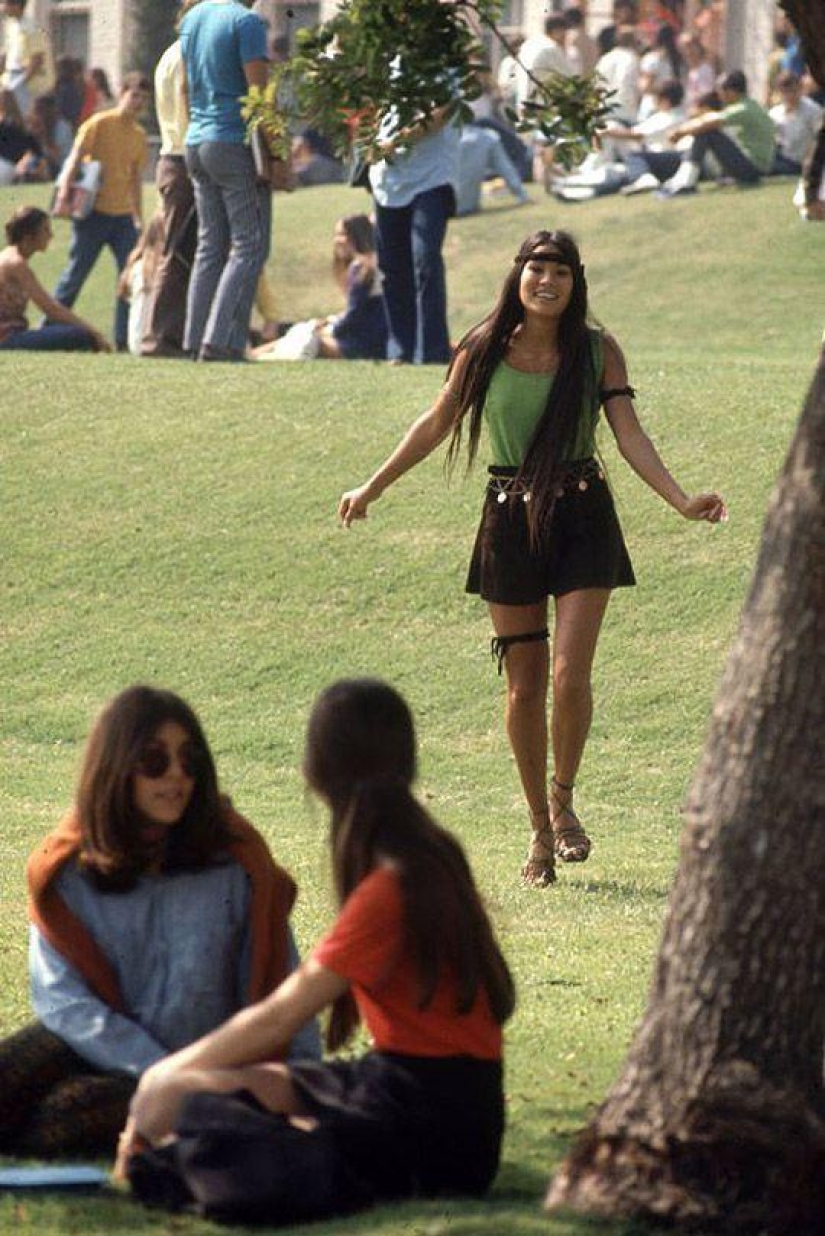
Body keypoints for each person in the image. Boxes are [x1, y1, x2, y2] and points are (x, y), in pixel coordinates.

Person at [338, 231, 727, 888]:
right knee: (523, 685)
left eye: (559, 273)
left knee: (569, 677)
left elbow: (628, 434)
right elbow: (435, 422)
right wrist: (373, 485)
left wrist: (680, 500)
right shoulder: (482, 348)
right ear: (517, 276)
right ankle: (537, 830)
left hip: (581, 514)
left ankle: (564, 800)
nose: (545, 282)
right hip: (508, 520)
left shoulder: (596, 352)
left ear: (576, 283)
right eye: (535, 270)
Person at [119, 679, 514, 1225]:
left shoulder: (392, 887)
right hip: (428, 1097)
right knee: (202, 1094)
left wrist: (157, 1082)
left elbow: (283, 1014)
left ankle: (280, 1147)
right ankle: (295, 1136)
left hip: (429, 1125)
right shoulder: (430, 854)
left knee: (181, 1102)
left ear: (318, 773)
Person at [0, 685, 320, 1157]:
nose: (176, 776)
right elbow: (63, 1000)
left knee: (61, 1121)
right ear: (115, 767)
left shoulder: (238, 865)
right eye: (154, 761)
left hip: (207, 1067)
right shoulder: (68, 869)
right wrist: (153, 1066)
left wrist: (301, 1086)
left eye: (189, 761)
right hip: (110, 1048)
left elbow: (280, 988)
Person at [179, 0, 272, 362]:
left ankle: (196, 337)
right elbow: (258, 99)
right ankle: (220, 342)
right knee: (250, 244)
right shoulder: (247, 22)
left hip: (196, 141)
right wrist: (273, 156)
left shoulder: (193, 18)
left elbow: (186, 88)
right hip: (232, 140)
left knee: (211, 245)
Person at [50, 72, 150, 351]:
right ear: (122, 93)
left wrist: (138, 217)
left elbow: (135, 180)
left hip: (122, 219)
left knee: (128, 277)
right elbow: (75, 157)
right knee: (76, 272)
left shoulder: (139, 136)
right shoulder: (99, 123)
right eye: (134, 95)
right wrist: (63, 194)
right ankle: (50, 329)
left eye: (143, 99)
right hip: (93, 213)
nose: (137, 102)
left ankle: (123, 339)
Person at [368, 73, 460, 365]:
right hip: (387, 180)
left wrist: (398, 139)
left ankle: (432, 352)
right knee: (392, 268)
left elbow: (445, 110)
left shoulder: (441, 58)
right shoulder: (380, 53)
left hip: (431, 177)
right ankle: (401, 351)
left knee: (426, 260)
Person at [252, 214, 387, 362]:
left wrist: (331, 327)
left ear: (358, 235)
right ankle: (255, 354)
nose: (337, 240)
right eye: (336, 235)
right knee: (303, 330)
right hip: (368, 338)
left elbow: (356, 314)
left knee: (305, 333)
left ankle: (256, 355)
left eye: (343, 234)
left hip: (359, 343)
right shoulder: (369, 265)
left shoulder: (362, 267)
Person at [0, 205, 108, 350]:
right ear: (28, 237)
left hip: (12, 334)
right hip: (7, 338)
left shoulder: (10, 257)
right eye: (45, 230)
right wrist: (94, 332)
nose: (51, 235)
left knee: (71, 332)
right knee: (80, 335)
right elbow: (51, 308)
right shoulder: (16, 263)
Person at [658, 69, 776, 196]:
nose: (719, 96)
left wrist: (680, 133)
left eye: (721, 91)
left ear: (731, 91)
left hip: (754, 169)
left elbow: (709, 122)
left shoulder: (742, 108)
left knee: (707, 132)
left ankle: (686, 181)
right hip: (757, 167)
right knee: (707, 132)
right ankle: (683, 178)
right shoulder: (751, 105)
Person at [456, 123, 528, 216]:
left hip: (438, 207)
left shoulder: (441, 138)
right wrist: (523, 196)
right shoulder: (488, 138)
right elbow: (506, 170)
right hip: (467, 206)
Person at [0, 0, 54, 115]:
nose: (2, 7)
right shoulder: (11, 25)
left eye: (5, 3)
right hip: (11, 76)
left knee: (23, 116)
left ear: (17, 5)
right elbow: (6, 53)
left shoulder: (31, 28)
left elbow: (37, 59)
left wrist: (20, 83)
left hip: (26, 80)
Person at [769, 71, 823, 176]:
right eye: (785, 92)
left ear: (800, 89)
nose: (790, 95)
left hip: (801, 163)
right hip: (781, 159)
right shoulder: (774, 114)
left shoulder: (812, 110)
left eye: (793, 91)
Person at [0, 84, 40, 183]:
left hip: (6, 165)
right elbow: (35, 149)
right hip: (13, 168)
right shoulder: (22, 124)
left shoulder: (7, 124)